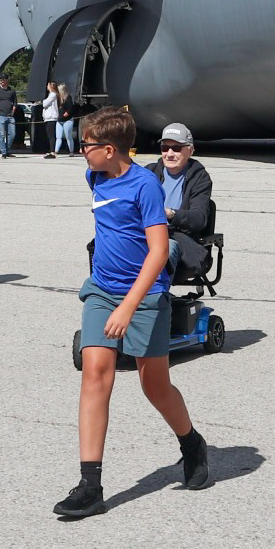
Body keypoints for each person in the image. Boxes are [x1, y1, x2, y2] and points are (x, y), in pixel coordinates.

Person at [55, 104, 210, 519]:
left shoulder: (146, 186)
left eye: (87, 145)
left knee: (154, 387)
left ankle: (192, 443)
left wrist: (130, 306)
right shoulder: (95, 175)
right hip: (102, 291)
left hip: (143, 297)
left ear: (109, 149)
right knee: (94, 376)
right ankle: (91, 486)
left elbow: (159, 251)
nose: (81, 151)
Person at [154, 124, 215, 277]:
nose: (169, 153)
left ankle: (154, 298)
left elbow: (199, 218)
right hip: (147, 234)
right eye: (164, 148)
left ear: (190, 150)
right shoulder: (149, 172)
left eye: (176, 148)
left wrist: (171, 214)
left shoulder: (200, 178)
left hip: (180, 240)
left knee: (161, 249)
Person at [0, 78, 21, 158]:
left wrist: (13, 109)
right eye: (1, 80)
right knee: (2, 134)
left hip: (10, 116)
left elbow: (15, 101)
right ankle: (4, 152)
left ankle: (7, 149)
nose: (2, 81)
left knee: (12, 134)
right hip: (0, 115)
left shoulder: (11, 90)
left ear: (7, 81)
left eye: (4, 80)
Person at [42, 80, 66, 158]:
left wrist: (43, 101)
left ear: (51, 86)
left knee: (51, 135)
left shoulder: (53, 95)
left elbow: (45, 103)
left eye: (48, 85)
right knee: (50, 135)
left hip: (51, 117)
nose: (47, 87)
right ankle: (51, 150)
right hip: (48, 117)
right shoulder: (51, 95)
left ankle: (52, 152)